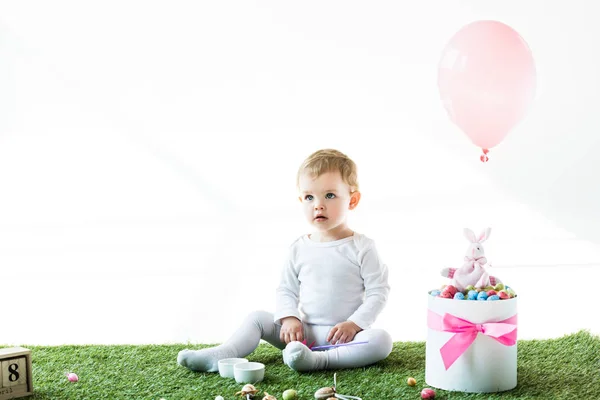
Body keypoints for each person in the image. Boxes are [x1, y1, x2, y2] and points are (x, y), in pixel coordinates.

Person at [177, 149, 392, 372]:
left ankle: (318, 360)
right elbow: (286, 290)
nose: (318, 204)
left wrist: (354, 324)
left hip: (344, 338)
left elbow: (378, 292)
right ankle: (224, 354)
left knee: (382, 340)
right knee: (257, 319)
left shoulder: (362, 247)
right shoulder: (299, 248)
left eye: (329, 195)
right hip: (303, 333)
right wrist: (290, 318)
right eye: (309, 197)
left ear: (353, 200)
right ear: (301, 200)